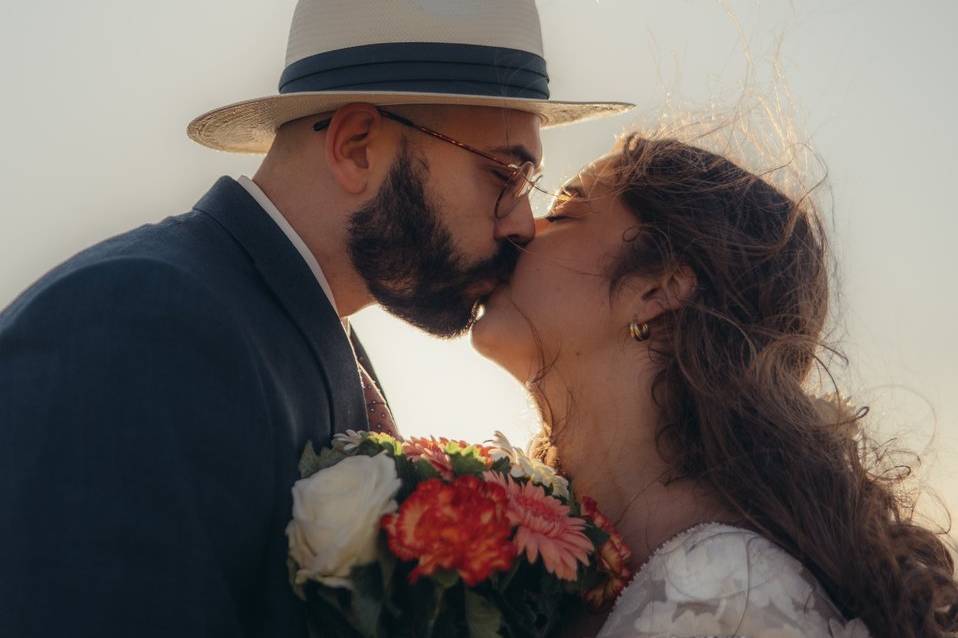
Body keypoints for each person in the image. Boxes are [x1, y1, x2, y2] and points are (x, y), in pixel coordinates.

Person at [0, 1, 631, 636]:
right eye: (503, 173)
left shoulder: (312, 339)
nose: (522, 224)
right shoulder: (139, 322)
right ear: (357, 147)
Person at [472, 133, 958, 638]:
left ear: (657, 290)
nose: (523, 229)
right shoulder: (542, 575)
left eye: (566, 211)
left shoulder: (726, 600)